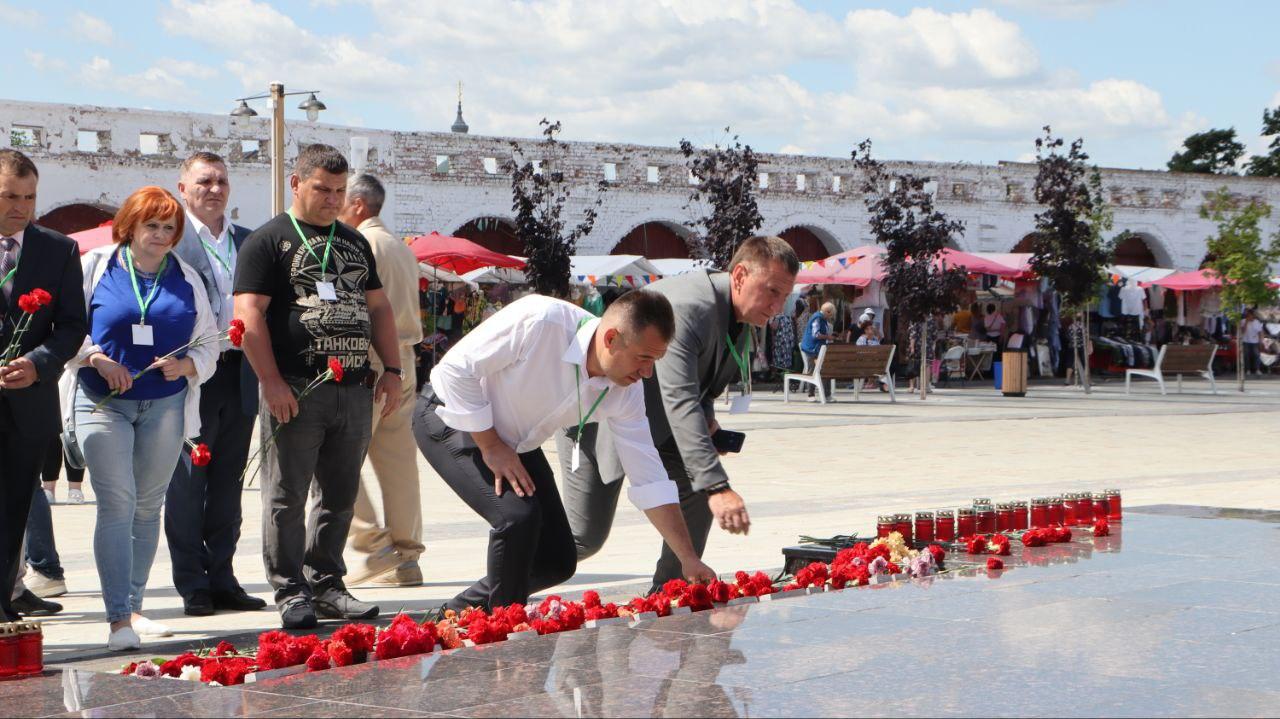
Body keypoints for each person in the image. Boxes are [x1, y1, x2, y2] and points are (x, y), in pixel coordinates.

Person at [416, 290, 716, 612]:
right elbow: (454, 371)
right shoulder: (541, 321)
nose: (647, 373)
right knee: (518, 519)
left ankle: (453, 615)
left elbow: (649, 476)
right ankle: (501, 640)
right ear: (611, 338)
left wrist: (688, 559)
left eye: (654, 361)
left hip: (515, 442)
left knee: (556, 559)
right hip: (451, 415)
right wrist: (490, 445)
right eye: (643, 358)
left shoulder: (626, 392)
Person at [557, 237, 799, 594]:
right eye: (772, 292)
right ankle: (492, 595)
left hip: (657, 426)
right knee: (583, 538)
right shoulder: (691, 306)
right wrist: (717, 487)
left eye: (784, 296)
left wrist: (709, 420)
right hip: (603, 420)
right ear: (740, 275)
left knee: (695, 491)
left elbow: (701, 388)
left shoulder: (740, 315)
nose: (778, 307)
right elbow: (680, 397)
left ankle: (670, 598)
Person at [234, 143, 403, 629]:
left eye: (338, 191)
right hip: (297, 387)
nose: (332, 199)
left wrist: (391, 369)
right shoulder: (268, 241)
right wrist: (270, 381)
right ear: (296, 183)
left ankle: (327, 582)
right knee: (286, 494)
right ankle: (289, 589)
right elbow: (249, 316)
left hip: (353, 388)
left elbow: (379, 308)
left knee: (341, 494)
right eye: (321, 189)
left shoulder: (354, 242)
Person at [66, 186, 218, 650]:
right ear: (129, 225)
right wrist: (94, 358)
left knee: (148, 506)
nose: (160, 235)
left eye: (169, 228)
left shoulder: (187, 276)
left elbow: (209, 340)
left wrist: (188, 366)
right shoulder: (96, 266)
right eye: (151, 225)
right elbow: (66, 327)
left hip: (166, 404)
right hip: (102, 401)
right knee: (118, 502)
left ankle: (132, 606)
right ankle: (117, 621)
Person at [164, 152, 265, 617]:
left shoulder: (248, 241)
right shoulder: (171, 239)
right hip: (190, 373)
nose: (215, 188)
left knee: (228, 482)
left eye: (222, 180)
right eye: (204, 181)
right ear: (183, 188)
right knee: (187, 482)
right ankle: (193, 583)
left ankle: (223, 578)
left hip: (240, 372)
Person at [0, 150, 88, 622]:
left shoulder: (59, 249)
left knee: (15, 508)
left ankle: (3, 608)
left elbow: (72, 326)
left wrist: (38, 363)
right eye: (10, 196)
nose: (21, 207)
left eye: (29, 197)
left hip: (28, 404)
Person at [331, 174, 426, 588]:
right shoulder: (401, 248)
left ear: (356, 205)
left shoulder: (360, 244)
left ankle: (374, 546)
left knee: (334, 458)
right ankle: (407, 556)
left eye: (339, 200)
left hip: (370, 360)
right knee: (399, 461)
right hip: (404, 359)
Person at [1241, 308, 1263, 377]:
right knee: (1246, 355)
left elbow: (1260, 332)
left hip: (1255, 341)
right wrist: (1246, 322)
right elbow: (1242, 331)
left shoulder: (1257, 322)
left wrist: (1260, 341)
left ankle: (1257, 369)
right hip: (1245, 341)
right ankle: (1248, 370)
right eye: (1249, 315)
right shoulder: (1243, 321)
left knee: (1256, 355)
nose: (1251, 317)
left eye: (1252, 315)